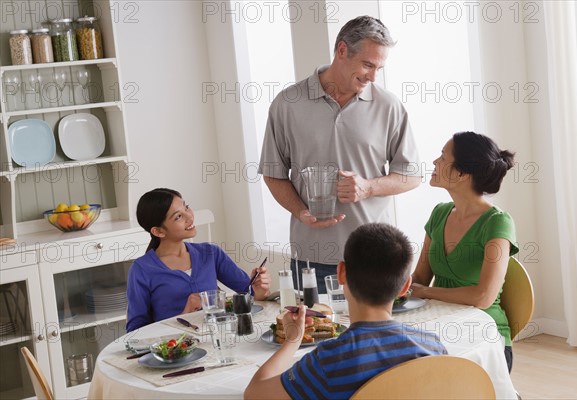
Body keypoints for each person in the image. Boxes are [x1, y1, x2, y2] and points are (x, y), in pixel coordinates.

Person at [258, 16, 421, 293]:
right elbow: (273, 174)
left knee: (375, 336)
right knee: (316, 334)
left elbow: (412, 175)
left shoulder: (389, 106)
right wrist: (300, 211)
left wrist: (368, 187)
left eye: (379, 68)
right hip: (313, 257)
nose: (373, 76)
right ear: (342, 51)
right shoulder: (288, 104)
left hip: (375, 255)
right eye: (368, 65)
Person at [244, 223, 447, 399]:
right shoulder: (433, 347)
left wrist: (292, 340)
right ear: (405, 286)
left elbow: (255, 394)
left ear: (341, 273)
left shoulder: (328, 361)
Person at [410, 131, 518, 372]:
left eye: (442, 156)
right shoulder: (439, 213)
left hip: (484, 335)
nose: (435, 162)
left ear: (461, 173)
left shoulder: (497, 222)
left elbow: (483, 297)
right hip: (439, 325)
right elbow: (418, 279)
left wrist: (425, 292)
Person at [126, 188, 271, 332]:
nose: (189, 217)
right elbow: (135, 331)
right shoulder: (142, 270)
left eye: (186, 207)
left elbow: (248, 295)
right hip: (175, 350)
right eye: (178, 217)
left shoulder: (211, 253)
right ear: (158, 231)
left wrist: (259, 291)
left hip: (219, 340)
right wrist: (185, 314)